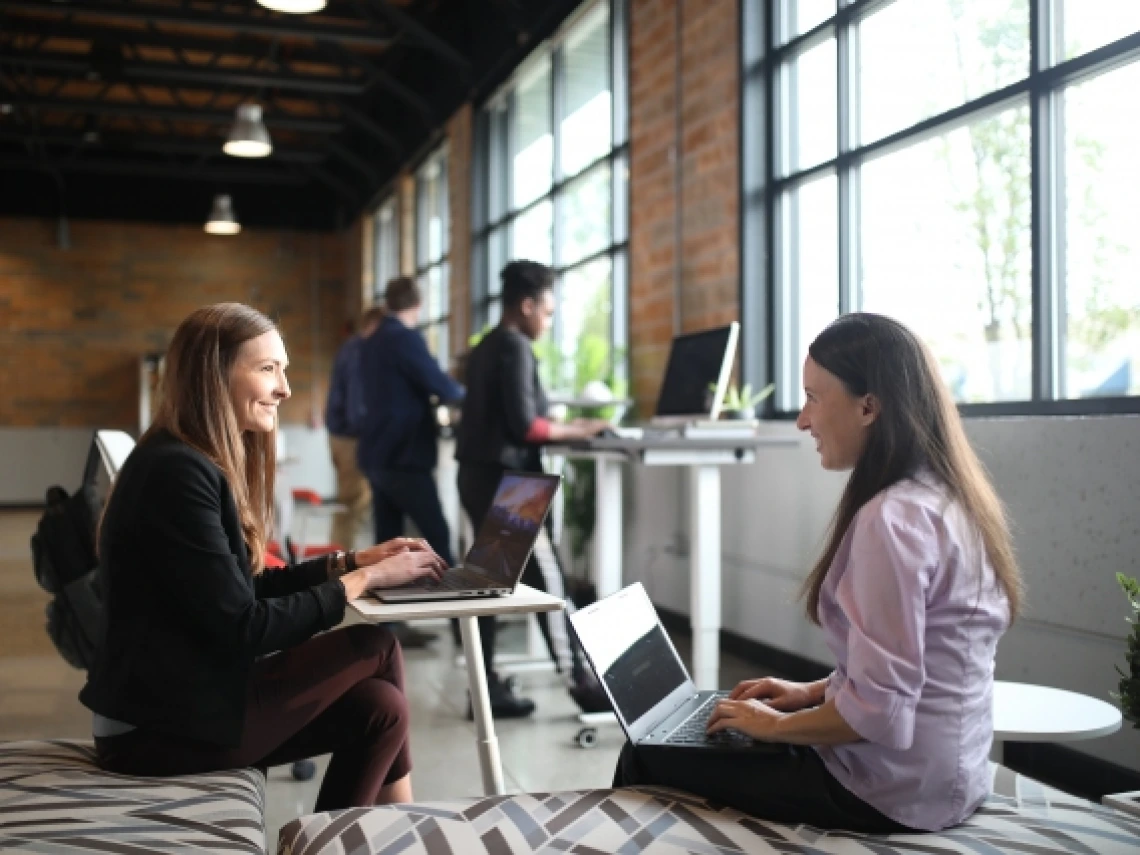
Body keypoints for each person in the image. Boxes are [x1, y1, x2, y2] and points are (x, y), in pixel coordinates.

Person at [613, 313, 1023, 833]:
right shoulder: (949, 500)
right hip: (951, 776)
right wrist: (811, 693)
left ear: (869, 407)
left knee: (643, 756)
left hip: (889, 790)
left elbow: (881, 714)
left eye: (812, 398)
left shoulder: (891, 521)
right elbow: (909, 663)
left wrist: (777, 728)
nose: (803, 421)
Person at [80, 302, 447, 810]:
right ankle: (408, 830)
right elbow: (245, 628)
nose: (285, 389)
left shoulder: (183, 459)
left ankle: (345, 844)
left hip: (172, 703)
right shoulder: (177, 474)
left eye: (284, 370)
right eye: (268, 369)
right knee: (376, 647)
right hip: (153, 728)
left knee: (380, 708)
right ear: (215, 376)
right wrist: (364, 582)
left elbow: (241, 590)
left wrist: (350, 562)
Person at [456, 260, 611, 718]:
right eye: (546, 311)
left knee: (486, 585)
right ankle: (581, 683)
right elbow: (526, 424)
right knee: (551, 583)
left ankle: (483, 691)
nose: (548, 320)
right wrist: (581, 427)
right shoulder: (516, 346)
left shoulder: (485, 346)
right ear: (526, 306)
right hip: (509, 485)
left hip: (478, 475)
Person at [356, 277, 465, 626]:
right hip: (405, 455)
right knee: (436, 535)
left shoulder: (371, 341)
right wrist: (472, 396)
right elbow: (439, 384)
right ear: (418, 305)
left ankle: (387, 626)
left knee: (388, 543)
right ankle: (460, 622)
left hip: (376, 453)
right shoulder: (404, 338)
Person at [325, 306, 384, 552]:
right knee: (354, 503)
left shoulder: (349, 347)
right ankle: (340, 562)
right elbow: (356, 399)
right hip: (351, 437)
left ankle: (338, 557)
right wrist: (365, 431)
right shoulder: (360, 350)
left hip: (339, 435)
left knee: (348, 501)